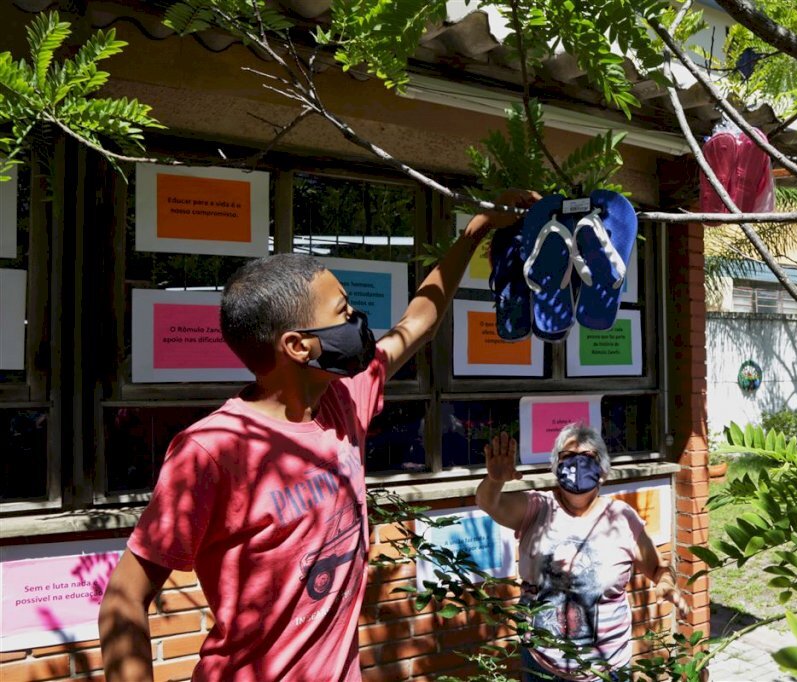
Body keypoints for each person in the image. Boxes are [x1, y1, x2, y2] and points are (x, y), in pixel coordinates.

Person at [98, 190, 538, 682]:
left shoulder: (344, 398)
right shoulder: (213, 450)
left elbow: (419, 323)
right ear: (298, 346)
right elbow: (123, 598)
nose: (357, 322)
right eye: (344, 312)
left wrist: (476, 230)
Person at [476, 425, 689, 682]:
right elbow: (489, 503)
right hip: (541, 665)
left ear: (603, 470)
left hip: (605, 669)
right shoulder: (537, 507)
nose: (577, 463)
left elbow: (658, 568)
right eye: (567, 456)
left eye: (588, 456)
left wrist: (666, 582)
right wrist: (495, 481)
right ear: (555, 467)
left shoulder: (622, 518)